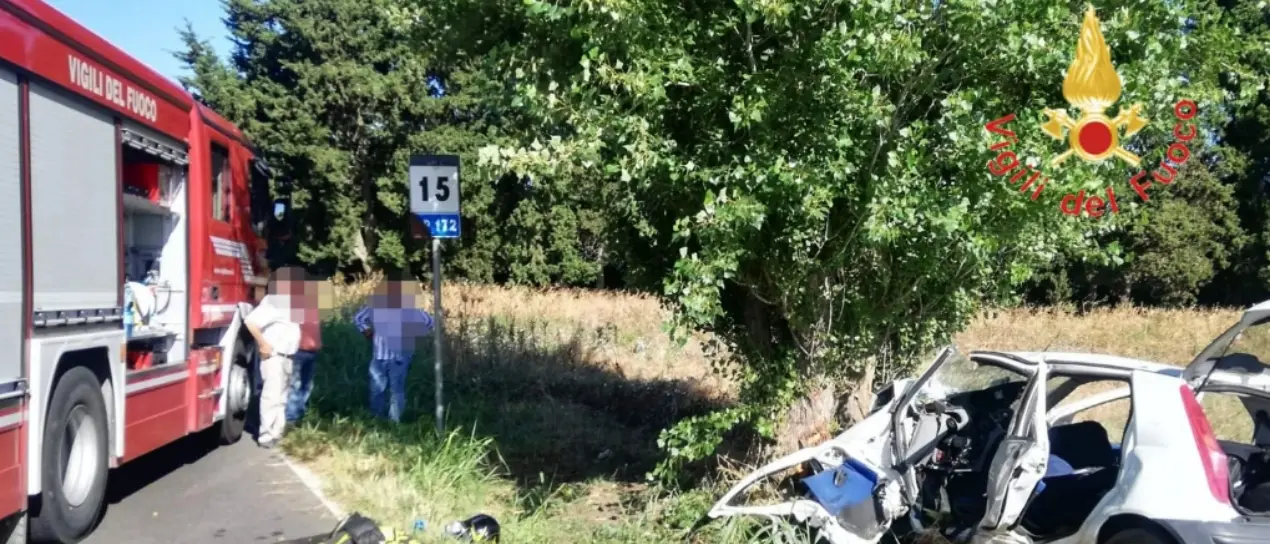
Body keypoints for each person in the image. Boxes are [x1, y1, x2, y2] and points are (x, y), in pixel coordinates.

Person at [353, 272, 434, 422]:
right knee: (378, 389)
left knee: (395, 390)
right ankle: (378, 419)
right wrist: (366, 331)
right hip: (380, 354)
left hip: (400, 356)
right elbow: (359, 318)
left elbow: (429, 322)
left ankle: (393, 422)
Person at [243, 267, 303, 448]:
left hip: (288, 356)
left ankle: (277, 432)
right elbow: (250, 322)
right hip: (275, 355)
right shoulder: (273, 301)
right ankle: (267, 435)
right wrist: (263, 344)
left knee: (282, 397)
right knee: (272, 396)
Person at [287, 274, 322, 423]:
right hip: (298, 350)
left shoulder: (314, 307)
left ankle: (300, 412)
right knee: (295, 384)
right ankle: (291, 417)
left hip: (312, 351)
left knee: (307, 384)